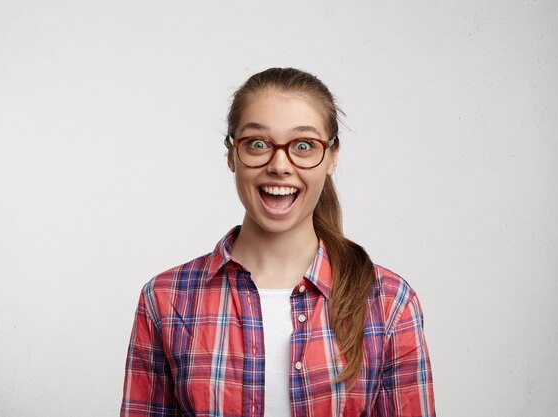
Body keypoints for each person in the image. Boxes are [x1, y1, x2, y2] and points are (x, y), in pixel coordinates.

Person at [120, 68, 435, 416]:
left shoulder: (389, 303)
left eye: (304, 146)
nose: (280, 165)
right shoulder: (165, 300)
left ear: (331, 157)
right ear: (231, 154)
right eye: (258, 144)